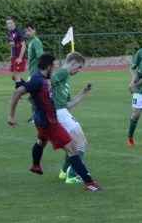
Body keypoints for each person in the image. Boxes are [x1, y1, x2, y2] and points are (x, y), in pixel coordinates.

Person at [8, 54, 103, 191]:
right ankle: (87, 182)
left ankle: (37, 165)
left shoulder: (44, 80)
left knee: (41, 142)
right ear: (48, 67)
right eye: (52, 67)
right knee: (74, 148)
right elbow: (19, 92)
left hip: (44, 120)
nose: (54, 71)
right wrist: (11, 116)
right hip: (51, 122)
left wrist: (83, 92)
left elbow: (64, 103)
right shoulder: (42, 79)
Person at [50, 52, 92, 184]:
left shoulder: (66, 79)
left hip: (62, 111)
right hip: (58, 113)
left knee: (72, 143)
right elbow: (47, 83)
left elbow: (69, 104)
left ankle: (64, 172)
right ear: (72, 63)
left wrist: (83, 92)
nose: (79, 71)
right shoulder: (63, 72)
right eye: (79, 67)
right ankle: (72, 175)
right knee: (82, 142)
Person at [24, 21, 43, 123]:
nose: (28, 32)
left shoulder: (36, 42)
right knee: (32, 96)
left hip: (35, 73)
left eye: (30, 30)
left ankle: (39, 114)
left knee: (31, 96)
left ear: (34, 30)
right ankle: (36, 115)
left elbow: (40, 57)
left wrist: (40, 72)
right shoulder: (31, 42)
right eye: (26, 30)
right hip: (32, 72)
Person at [6, 16, 26, 92]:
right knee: (13, 77)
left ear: (14, 23)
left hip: (20, 57)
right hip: (14, 57)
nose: (9, 25)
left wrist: (20, 57)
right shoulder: (9, 33)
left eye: (11, 23)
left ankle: (18, 93)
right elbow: (11, 45)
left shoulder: (18, 32)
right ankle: (28, 86)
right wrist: (11, 55)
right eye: (7, 23)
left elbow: (24, 46)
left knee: (16, 76)